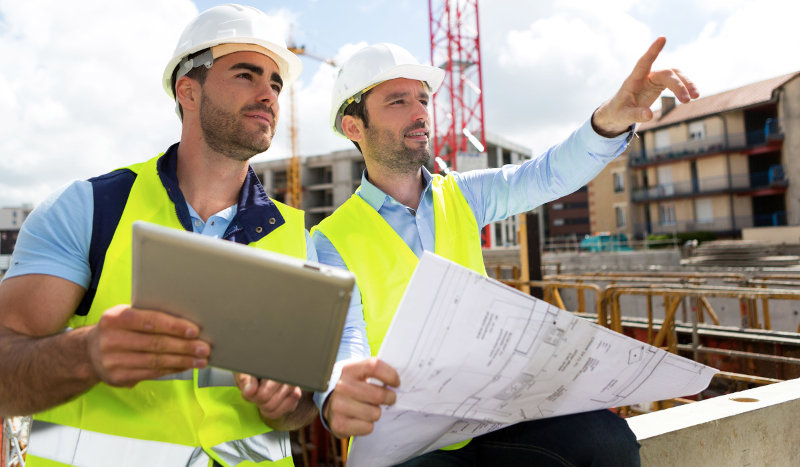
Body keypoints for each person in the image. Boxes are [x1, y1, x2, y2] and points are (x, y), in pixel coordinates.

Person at [312, 39, 699, 465]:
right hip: (405, 441)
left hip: (486, 414)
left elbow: (545, 175)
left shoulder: (462, 195)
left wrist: (610, 120)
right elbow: (345, 341)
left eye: (422, 99)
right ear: (354, 127)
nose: (420, 112)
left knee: (606, 442)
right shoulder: (330, 239)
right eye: (398, 101)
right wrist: (336, 391)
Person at [0, 5, 320, 466]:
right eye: (247, 75)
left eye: (275, 83)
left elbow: (303, 406)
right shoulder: (90, 209)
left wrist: (287, 404)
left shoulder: (295, 238)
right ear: (188, 90)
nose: (268, 94)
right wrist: (85, 353)